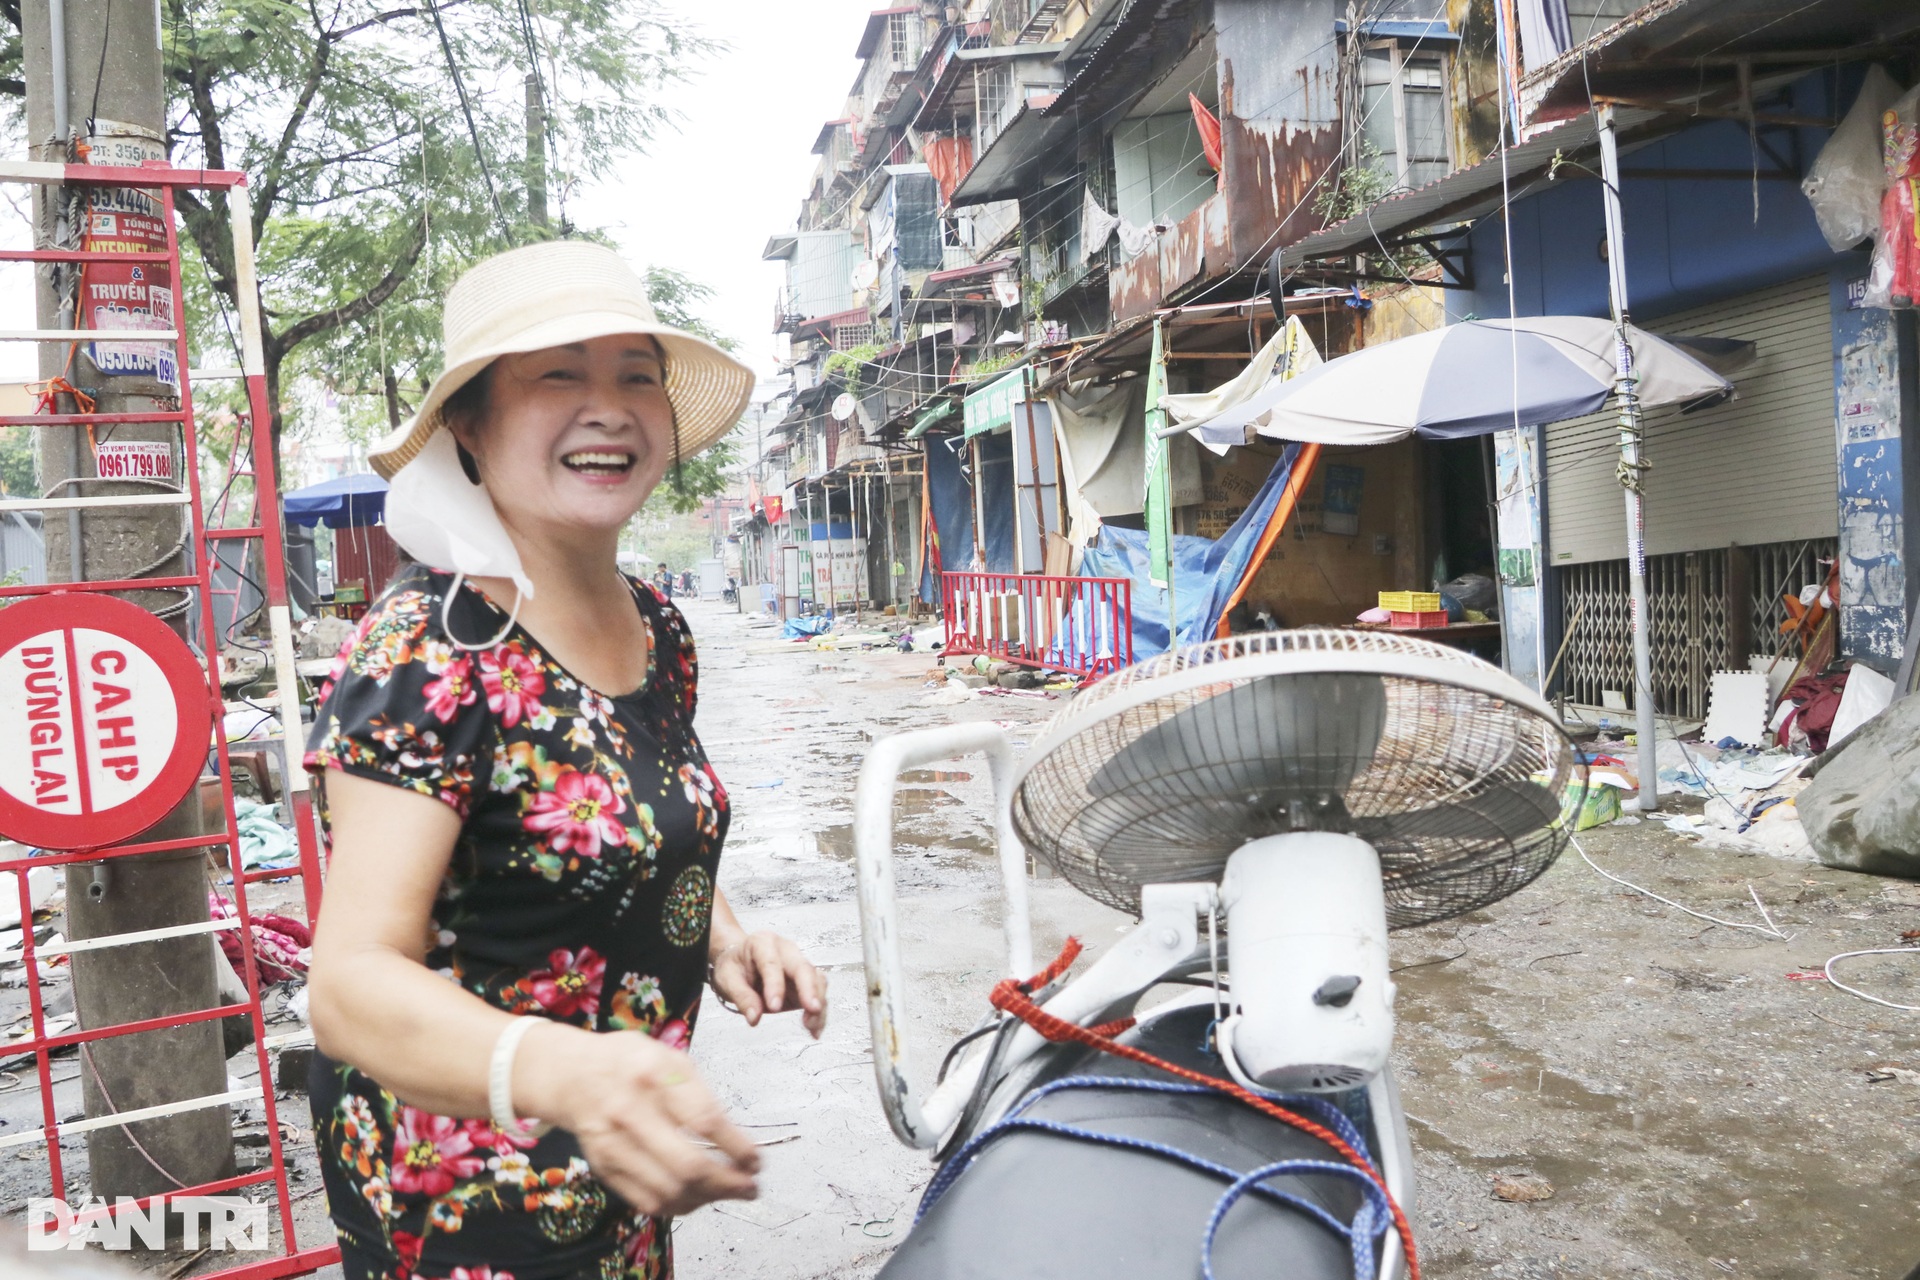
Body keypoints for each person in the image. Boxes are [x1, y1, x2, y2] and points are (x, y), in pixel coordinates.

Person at [305, 241, 825, 1280]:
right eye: (559, 374)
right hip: (464, 1196)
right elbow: (348, 983)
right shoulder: (431, 651)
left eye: (637, 375)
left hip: (623, 1161)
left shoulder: (660, 627)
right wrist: (564, 1071)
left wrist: (721, 937)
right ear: (470, 423)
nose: (610, 407)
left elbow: (637, 807)